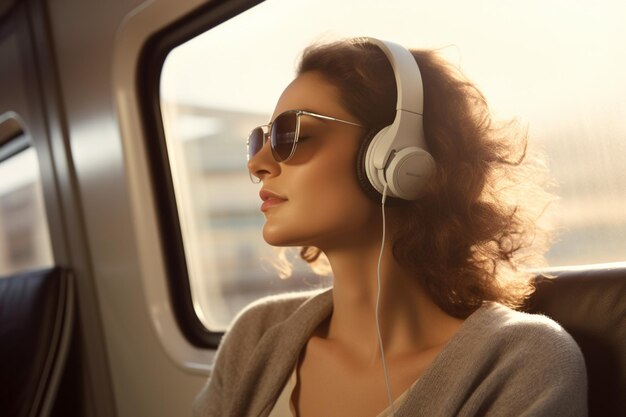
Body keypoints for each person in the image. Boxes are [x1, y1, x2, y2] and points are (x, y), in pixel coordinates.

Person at [193, 37, 587, 417]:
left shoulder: (519, 362)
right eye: (258, 141)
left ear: (394, 157)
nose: (256, 163)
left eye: (291, 134)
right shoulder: (256, 334)